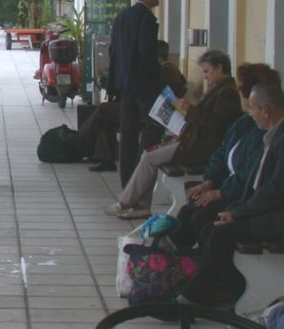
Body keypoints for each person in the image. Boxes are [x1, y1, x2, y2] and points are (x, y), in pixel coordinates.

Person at [177, 81, 284, 307]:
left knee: (220, 233)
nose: (250, 114)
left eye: (253, 108)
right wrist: (236, 209)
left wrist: (238, 213)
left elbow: (275, 191)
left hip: (276, 218)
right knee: (209, 226)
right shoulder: (272, 134)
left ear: (265, 111)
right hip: (262, 209)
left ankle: (195, 298)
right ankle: (225, 286)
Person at [104, 50, 242, 219]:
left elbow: (213, 122)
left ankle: (128, 203)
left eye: (207, 71)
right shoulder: (219, 89)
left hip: (200, 146)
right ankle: (139, 205)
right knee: (149, 154)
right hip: (193, 140)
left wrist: (188, 109)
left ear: (219, 67)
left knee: (149, 158)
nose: (206, 76)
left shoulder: (227, 93)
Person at [173, 64, 281, 250]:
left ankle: (196, 266)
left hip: (238, 194)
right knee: (188, 210)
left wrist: (221, 193)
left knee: (204, 221)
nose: (238, 92)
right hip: (228, 187)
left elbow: (253, 178)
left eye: (241, 89)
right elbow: (222, 152)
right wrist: (210, 181)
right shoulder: (245, 121)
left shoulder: (264, 132)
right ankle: (177, 259)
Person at [81, 40, 187, 172]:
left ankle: (82, 138)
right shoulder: (168, 68)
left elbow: (148, 92)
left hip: (147, 113)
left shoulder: (164, 70)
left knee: (104, 109)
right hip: (147, 110)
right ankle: (105, 158)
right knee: (106, 118)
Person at [107, 0, 163, 187]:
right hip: (143, 85)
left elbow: (113, 52)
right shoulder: (146, 19)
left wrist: (113, 84)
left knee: (128, 131)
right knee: (153, 127)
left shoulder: (122, 16)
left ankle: (127, 180)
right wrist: (156, 77)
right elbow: (147, 53)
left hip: (124, 83)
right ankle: (142, 173)